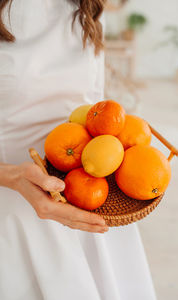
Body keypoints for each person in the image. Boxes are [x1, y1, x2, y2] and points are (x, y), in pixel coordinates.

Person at [0, 0, 157, 299]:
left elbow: (92, 105)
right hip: (13, 213)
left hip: (90, 197)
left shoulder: (87, 6)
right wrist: (11, 176)